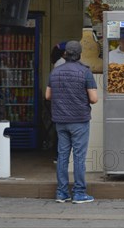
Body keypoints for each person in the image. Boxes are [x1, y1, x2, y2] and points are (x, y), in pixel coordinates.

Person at [45, 41, 98, 203]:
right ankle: (79, 192)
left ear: (65, 54)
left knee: (62, 156)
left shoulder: (55, 72)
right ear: (79, 54)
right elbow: (94, 99)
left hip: (60, 121)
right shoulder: (85, 72)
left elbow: (48, 96)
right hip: (79, 120)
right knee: (79, 157)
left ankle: (61, 192)